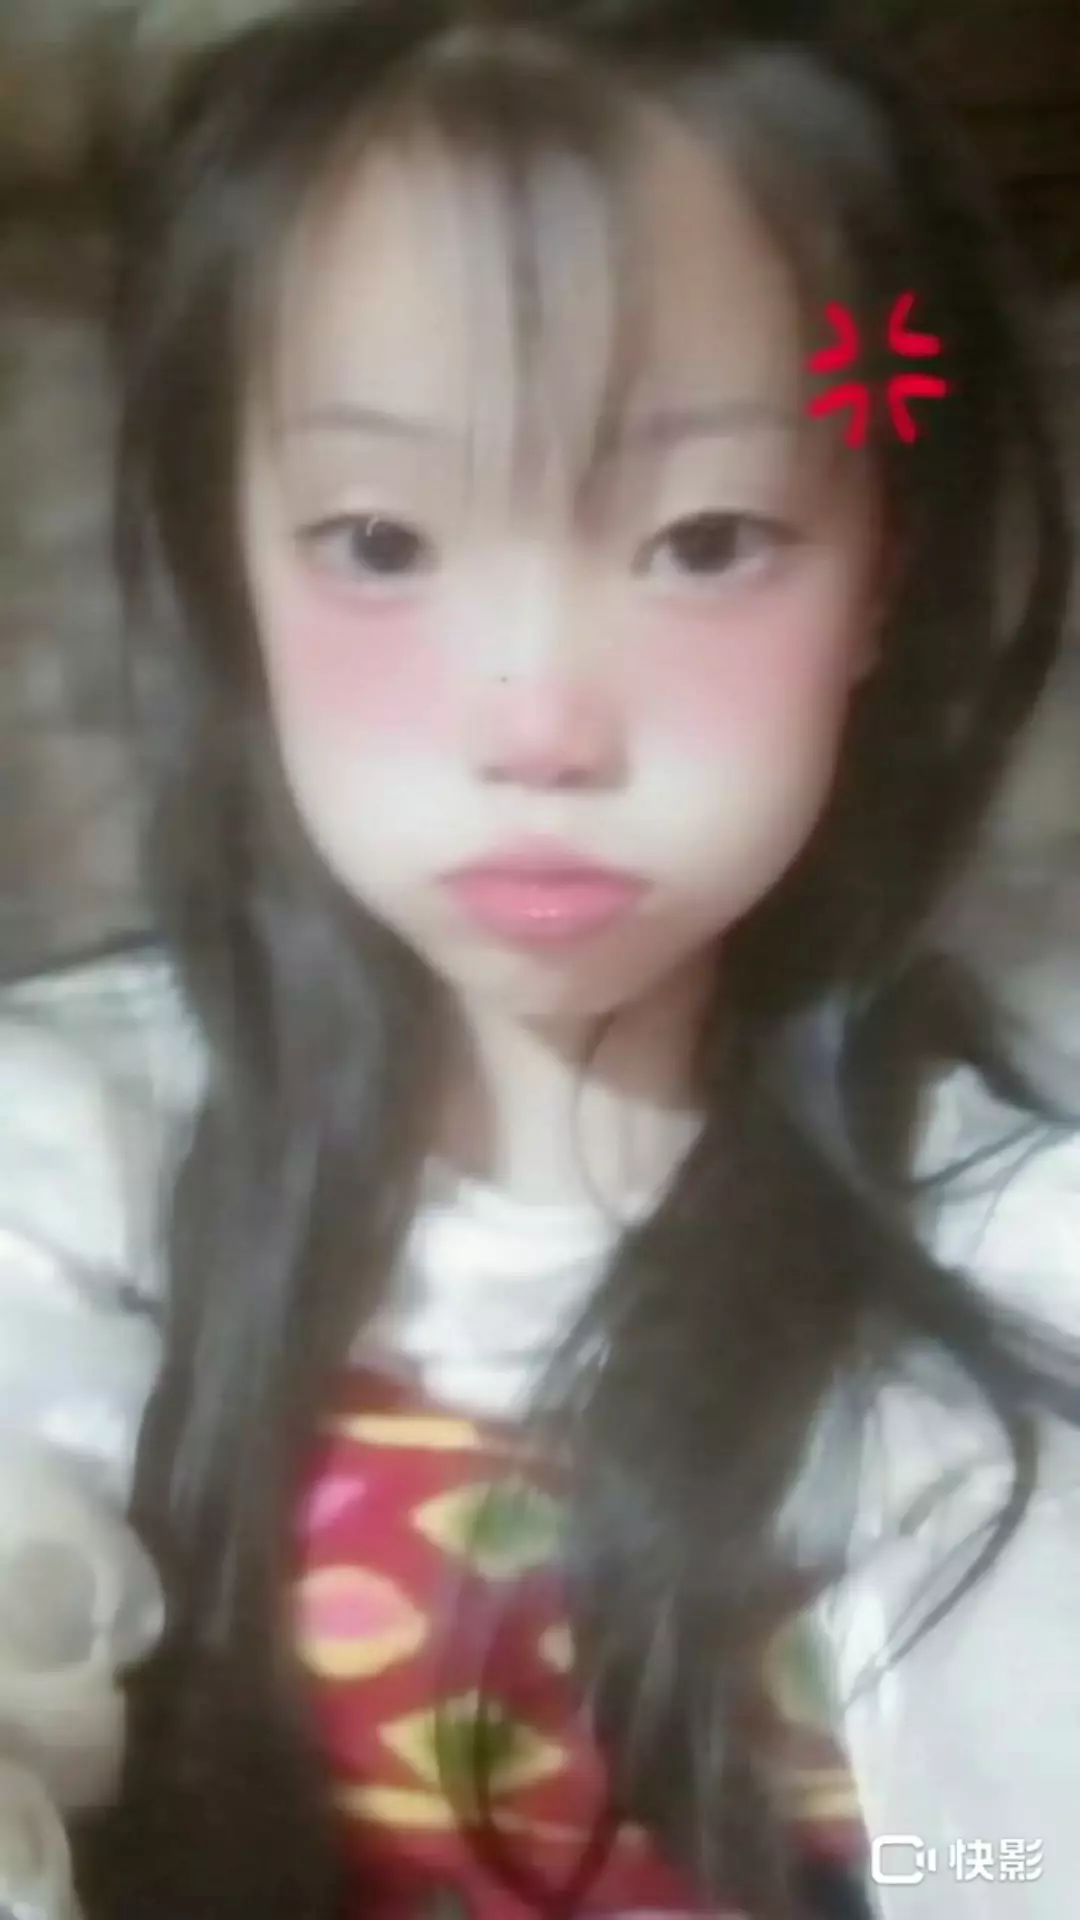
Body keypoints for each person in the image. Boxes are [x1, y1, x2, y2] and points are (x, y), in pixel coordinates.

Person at [0, 3, 1077, 1917]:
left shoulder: (1018, 1262)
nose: (538, 723)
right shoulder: (75, 1161)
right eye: (379, 541)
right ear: (229, 562)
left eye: (708, 539)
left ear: (882, 572)